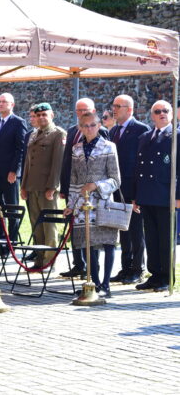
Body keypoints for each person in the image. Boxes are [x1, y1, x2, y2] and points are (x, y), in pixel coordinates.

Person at [63, 111, 120, 297]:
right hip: (82, 204)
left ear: (99, 126)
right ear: (80, 128)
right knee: (88, 244)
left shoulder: (109, 147)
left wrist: (96, 185)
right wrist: (71, 204)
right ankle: (93, 282)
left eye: (93, 125)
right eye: (85, 126)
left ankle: (106, 285)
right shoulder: (76, 149)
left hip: (103, 202)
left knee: (108, 243)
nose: (89, 129)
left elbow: (116, 180)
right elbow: (73, 180)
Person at [133, 100, 180, 293]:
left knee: (166, 239)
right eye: (158, 111)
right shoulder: (145, 137)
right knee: (151, 238)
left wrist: (178, 196)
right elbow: (138, 168)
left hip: (166, 195)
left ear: (172, 114)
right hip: (147, 194)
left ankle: (167, 278)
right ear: (152, 115)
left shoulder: (176, 136)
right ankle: (155, 275)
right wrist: (136, 196)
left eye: (166, 110)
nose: (162, 113)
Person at [59, 98, 108, 277]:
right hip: (74, 188)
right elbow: (67, 161)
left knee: (91, 232)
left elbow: (103, 164)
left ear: (93, 111)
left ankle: (92, 269)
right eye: (78, 110)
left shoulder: (101, 131)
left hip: (92, 191)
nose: (81, 113)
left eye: (85, 110)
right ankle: (78, 263)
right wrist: (64, 187)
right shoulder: (73, 130)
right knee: (75, 228)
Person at [108, 95, 149, 285]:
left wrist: (138, 193)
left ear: (129, 109)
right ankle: (126, 267)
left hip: (133, 189)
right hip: (117, 189)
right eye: (114, 106)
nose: (114, 109)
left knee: (136, 231)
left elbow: (142, 163)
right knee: (123, 230)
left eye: (118, 106)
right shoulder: (114, 130)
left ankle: (138, 268)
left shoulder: (141, 130)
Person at [21, 103, 66, 269]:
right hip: (32, 186)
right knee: (36, 225)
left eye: (44, 114)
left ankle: (49, 262)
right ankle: (39, 260)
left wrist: (52, 187)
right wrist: (23, 185)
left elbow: (58, 163)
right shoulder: (34, 134)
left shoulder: (58, 134)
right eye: (38, 115)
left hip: (47, 188)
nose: (41, 118)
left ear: (52, 115)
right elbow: (28, 162)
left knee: (49, 226)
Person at [0, 93, 27, 250]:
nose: (0, 104)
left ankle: (11, 244)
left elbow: (20, 149)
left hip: (10, 174)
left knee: (12, 209)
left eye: (4, 102)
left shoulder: (18, 122)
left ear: (12, 104)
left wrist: (14, 170)